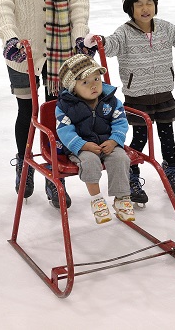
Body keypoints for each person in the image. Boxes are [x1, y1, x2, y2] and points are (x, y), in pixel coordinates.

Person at [0, 0, 90, 208]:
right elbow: (3, 2)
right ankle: (24, 164)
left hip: (62, 51)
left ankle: (54, 174)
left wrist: (80, 36)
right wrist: (9, 38)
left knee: (56, 112)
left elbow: (79, 1)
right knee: (27, 111)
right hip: (23, 51)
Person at [87, 0, 175, 204]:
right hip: (138, 98)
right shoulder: (124, 33)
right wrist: (98, 42)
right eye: (139, 4)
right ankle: (132, 175)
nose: (145, 8)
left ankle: (171, 170)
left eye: (149, 3)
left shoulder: (164, 27)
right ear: (130, 8)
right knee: (139, 140)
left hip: (164, 94)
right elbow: (110, 46)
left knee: (167, 137)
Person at [55, 54, 135, 224]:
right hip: (81, 148)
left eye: (97, 79)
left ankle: (121, 198)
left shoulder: (110, 100)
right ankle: (97, 199)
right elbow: (64, 130)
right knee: (90, 161)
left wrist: (114, 140)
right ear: (73, 88)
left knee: (121, 158)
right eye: (85, 82)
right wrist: (82, 145)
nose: (94, 85)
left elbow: (120, 121)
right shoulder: (65, 106)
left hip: (108, 143)